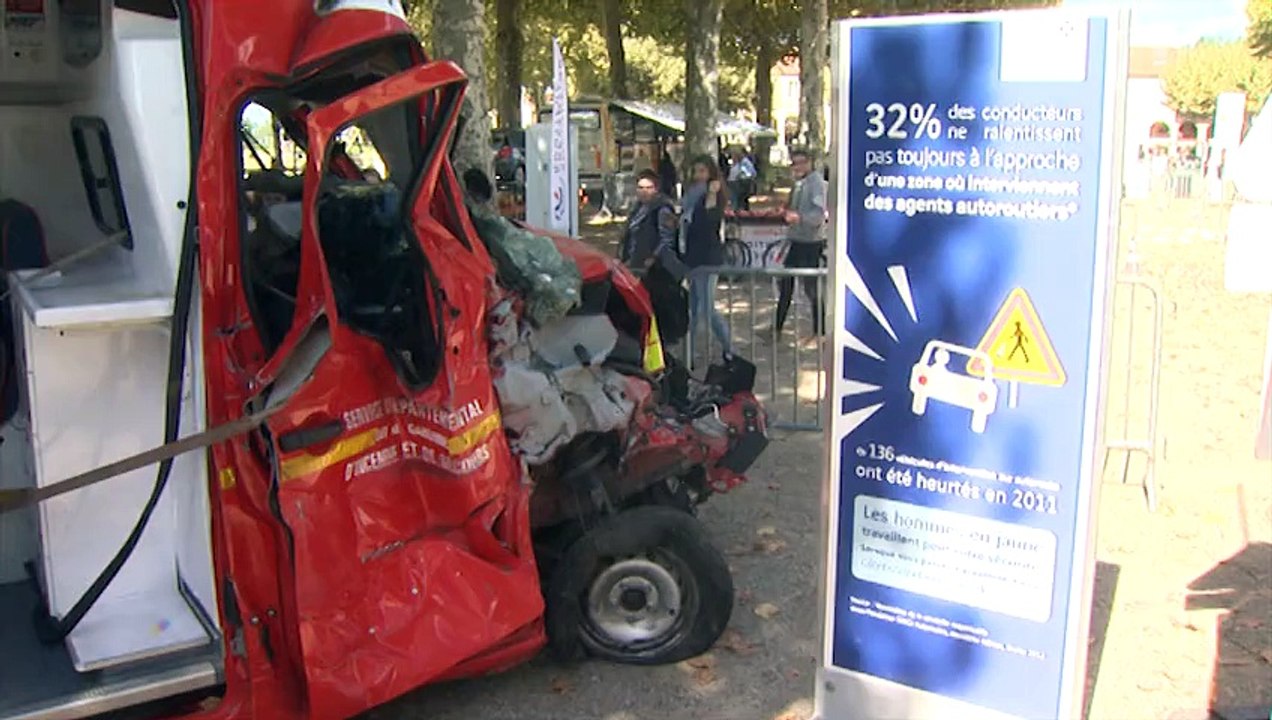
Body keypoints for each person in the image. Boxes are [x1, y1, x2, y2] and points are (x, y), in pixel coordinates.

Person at [681, 154, 733, 357]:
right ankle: (689, 352)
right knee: (694, 308)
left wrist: (711, 195)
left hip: (708, 257)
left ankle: (729, 348)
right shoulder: (691, 194)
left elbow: (710, 221)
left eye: (702, 171)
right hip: (693, 254)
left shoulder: (714, 194)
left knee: (707, 309)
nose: (698, 175)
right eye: (696, 171)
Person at [773, 148, 826, 340]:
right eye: (795, 163)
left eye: (802, 162)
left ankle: (819, 331)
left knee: (810, 286)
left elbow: (818, 215)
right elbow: (794, 208)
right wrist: (786, 210)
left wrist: (799, 217)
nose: (798, 166)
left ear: (810, 162)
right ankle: (777, 328)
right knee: (786, 283)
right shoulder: (799, 183)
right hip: (796, 239)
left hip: (810, 241)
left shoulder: (816, 183)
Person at [619, 169, 679, 271]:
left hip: (654, 268)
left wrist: (653, 258)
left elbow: (667, 239)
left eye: (649, 188)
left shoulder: (662, 210)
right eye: (641, 188)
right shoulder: (636, 209)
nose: (644, 191)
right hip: (634, 264)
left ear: (656, 189)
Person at [726, 145, 757, 210]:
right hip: (733, 183)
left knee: (738, 202)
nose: (732, 157)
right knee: (735, 201)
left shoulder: (744, 162)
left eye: (733, 155)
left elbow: (751, 173)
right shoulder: (736, 163)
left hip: (739, 184)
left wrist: (741, 176)